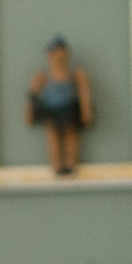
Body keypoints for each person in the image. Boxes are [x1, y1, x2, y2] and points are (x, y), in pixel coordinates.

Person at [26, 35, 93, 175]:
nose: (59, 57)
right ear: (49, 56)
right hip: (51, 113)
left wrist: (86, 112)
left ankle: (70, 164)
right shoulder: (43, 77)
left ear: (67, 54)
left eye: (62, 53)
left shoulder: (74, 75)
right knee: (52, 138)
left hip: (68, 112)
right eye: (55, 53)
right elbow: (33, 95)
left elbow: (84, 94)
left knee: (71, 137)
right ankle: (56, 164)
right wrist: (29, 113)